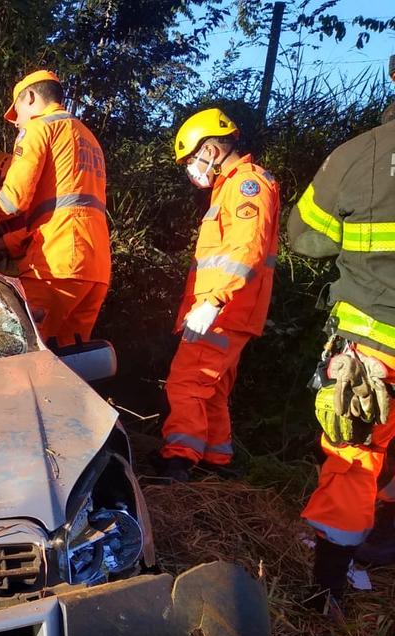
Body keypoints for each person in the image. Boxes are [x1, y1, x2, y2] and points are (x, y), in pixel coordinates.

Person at [287, 55, 395, 606]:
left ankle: (326, 590)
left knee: (353, 460)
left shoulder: (359, 156)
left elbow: (304, 237)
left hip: (374, 344)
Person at [155, 108, 280, 483]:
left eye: (192, 158)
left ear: (211, 148)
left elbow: (247, 250)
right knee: (211, 389)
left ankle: (179, 462)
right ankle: (215, 460)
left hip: (223, 309)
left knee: (187, 381)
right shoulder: (228, 188)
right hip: (226, 309)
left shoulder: (247, 185)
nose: (192, 167)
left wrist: (213, 302)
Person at [0, 70, 111, 347]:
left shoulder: (41, 128)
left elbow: (13, 199)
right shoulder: (87, 137)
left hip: (57, 262)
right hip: (95, 268)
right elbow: (59, 212)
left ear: (29, 97)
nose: (16, 123)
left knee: (20, 353)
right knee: (71, 363)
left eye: (16, 112)